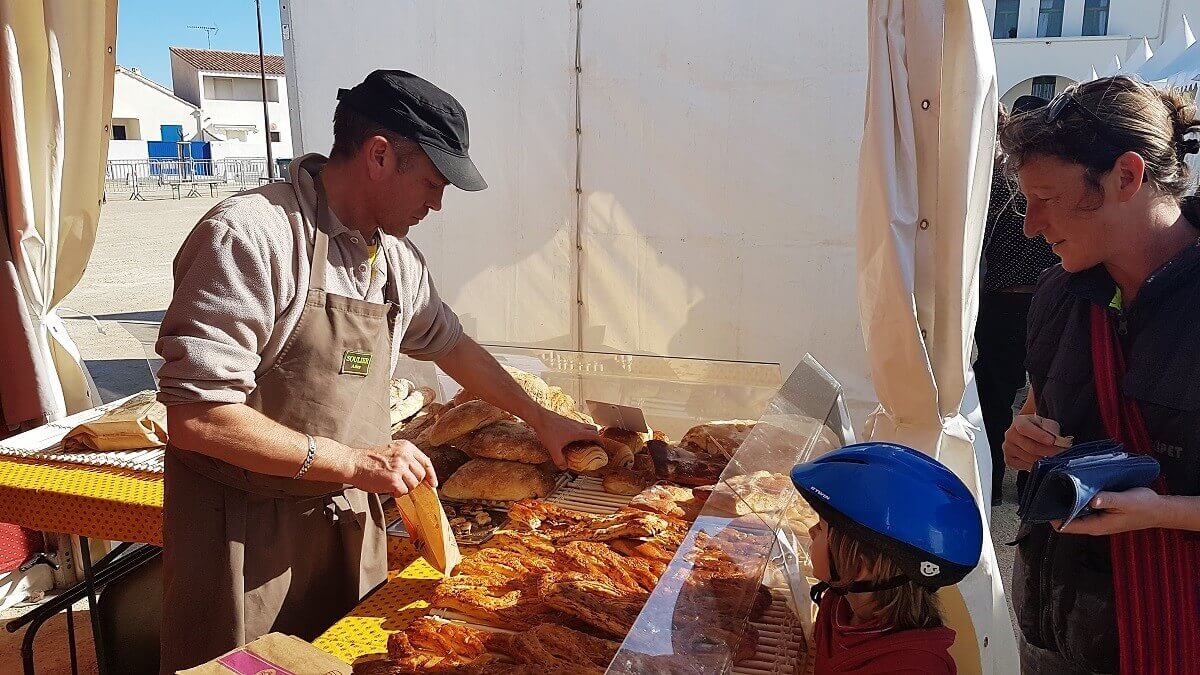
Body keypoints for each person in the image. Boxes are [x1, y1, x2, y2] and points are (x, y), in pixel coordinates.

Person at [154, 70, 599, 673]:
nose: (438, 203)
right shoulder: (251, 238)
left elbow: (454, 347)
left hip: (344, 528)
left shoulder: (391, 257)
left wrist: (542, 419)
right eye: (434, 182)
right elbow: (198, 416)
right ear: (381, 155)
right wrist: (358, 463)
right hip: (248, 538)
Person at [1000, 75, 1200, 674]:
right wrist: (1023, 436)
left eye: (1048, 199)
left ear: (1127, 177)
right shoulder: (1059, 298)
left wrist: (1162, 512)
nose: (1031, 225)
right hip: (1065, 627)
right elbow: (1038, 409)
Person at [790, 442, 983, 675]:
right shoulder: (838, 602)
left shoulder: (913, 669)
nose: (811, 532)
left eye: (821, 528)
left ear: (860, 565)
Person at [975, 95, 1060, 506]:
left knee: (995, 398)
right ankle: (1031, 487)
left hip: (1002, 306)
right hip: (1050, 298)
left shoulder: (995, 180)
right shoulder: (1050, 179)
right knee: (1045, 395)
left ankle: (991, 481)